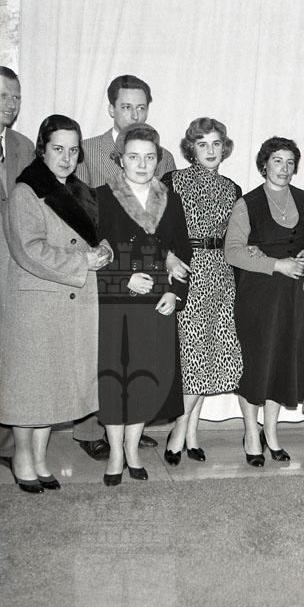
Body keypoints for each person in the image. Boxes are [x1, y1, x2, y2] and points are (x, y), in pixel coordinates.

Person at [0, 114, 111, 493]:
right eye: (58, 149)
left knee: (50, 387)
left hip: (68, 304)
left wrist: (104, 251)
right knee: (30, 388)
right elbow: (28, 250)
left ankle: (40, 458)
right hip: (36, 304)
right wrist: (83, 260)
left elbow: (92, 239)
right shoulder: (26, 190)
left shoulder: (81, 192)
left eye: (73, 150)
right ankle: (22, 458)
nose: (66, 158)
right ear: (42, 150)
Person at [73, 74, 180, 457]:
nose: (134, 113)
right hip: (110, 285)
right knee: (108, 366)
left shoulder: (163, 158)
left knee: (145, 367)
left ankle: (132, 433)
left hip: (152, 287)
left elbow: (167, 229)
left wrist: (169, 261)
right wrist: (119, 274)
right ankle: (94, 433)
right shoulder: (88, 151)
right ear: (111, 108)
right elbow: (83, 230)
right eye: (126, 106)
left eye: (141, 107)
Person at [96, 124, 191, 486]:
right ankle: (115, 453)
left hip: (156, 305)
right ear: (120, 159)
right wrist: (123, 279)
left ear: (158, 160)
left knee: (145, 379)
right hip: (116, 305)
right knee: (115, 379)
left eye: (150, 157)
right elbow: (91, 255)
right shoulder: (101, 198)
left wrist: (175, 293)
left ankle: (133, 449)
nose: (142, 164)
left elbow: (182, 252)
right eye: (133, 156)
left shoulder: (171, 199)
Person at [225, 136, 304, 467]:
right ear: (264, 164)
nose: (284, 168)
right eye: (278, 160)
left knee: (281, 365)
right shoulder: (247, 203)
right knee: (255, 366)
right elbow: (232, 252)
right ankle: (252, 433)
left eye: (290, 162)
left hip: (294, 300)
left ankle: (272, 433)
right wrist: (277, 264)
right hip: (258, 298)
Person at [162, 118, 242, 465]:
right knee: (191, 357)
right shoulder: (173, 181)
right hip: (188, 271)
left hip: (221, 275)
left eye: (216, 143)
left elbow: (237, 238)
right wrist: (167, 257)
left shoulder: (232, 189)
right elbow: (156, 227)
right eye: (202, 144)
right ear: (191, 149)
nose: (210, 150)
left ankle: (191, 433)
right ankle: (179, 432)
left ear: (225, 148)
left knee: (208, 356)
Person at [0, 66, 35, 470]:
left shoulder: (23, 146)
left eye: (16, 97)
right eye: (3, 96)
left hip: (14, 267)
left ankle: (9, 446)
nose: (11, 104)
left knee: (10, 355)